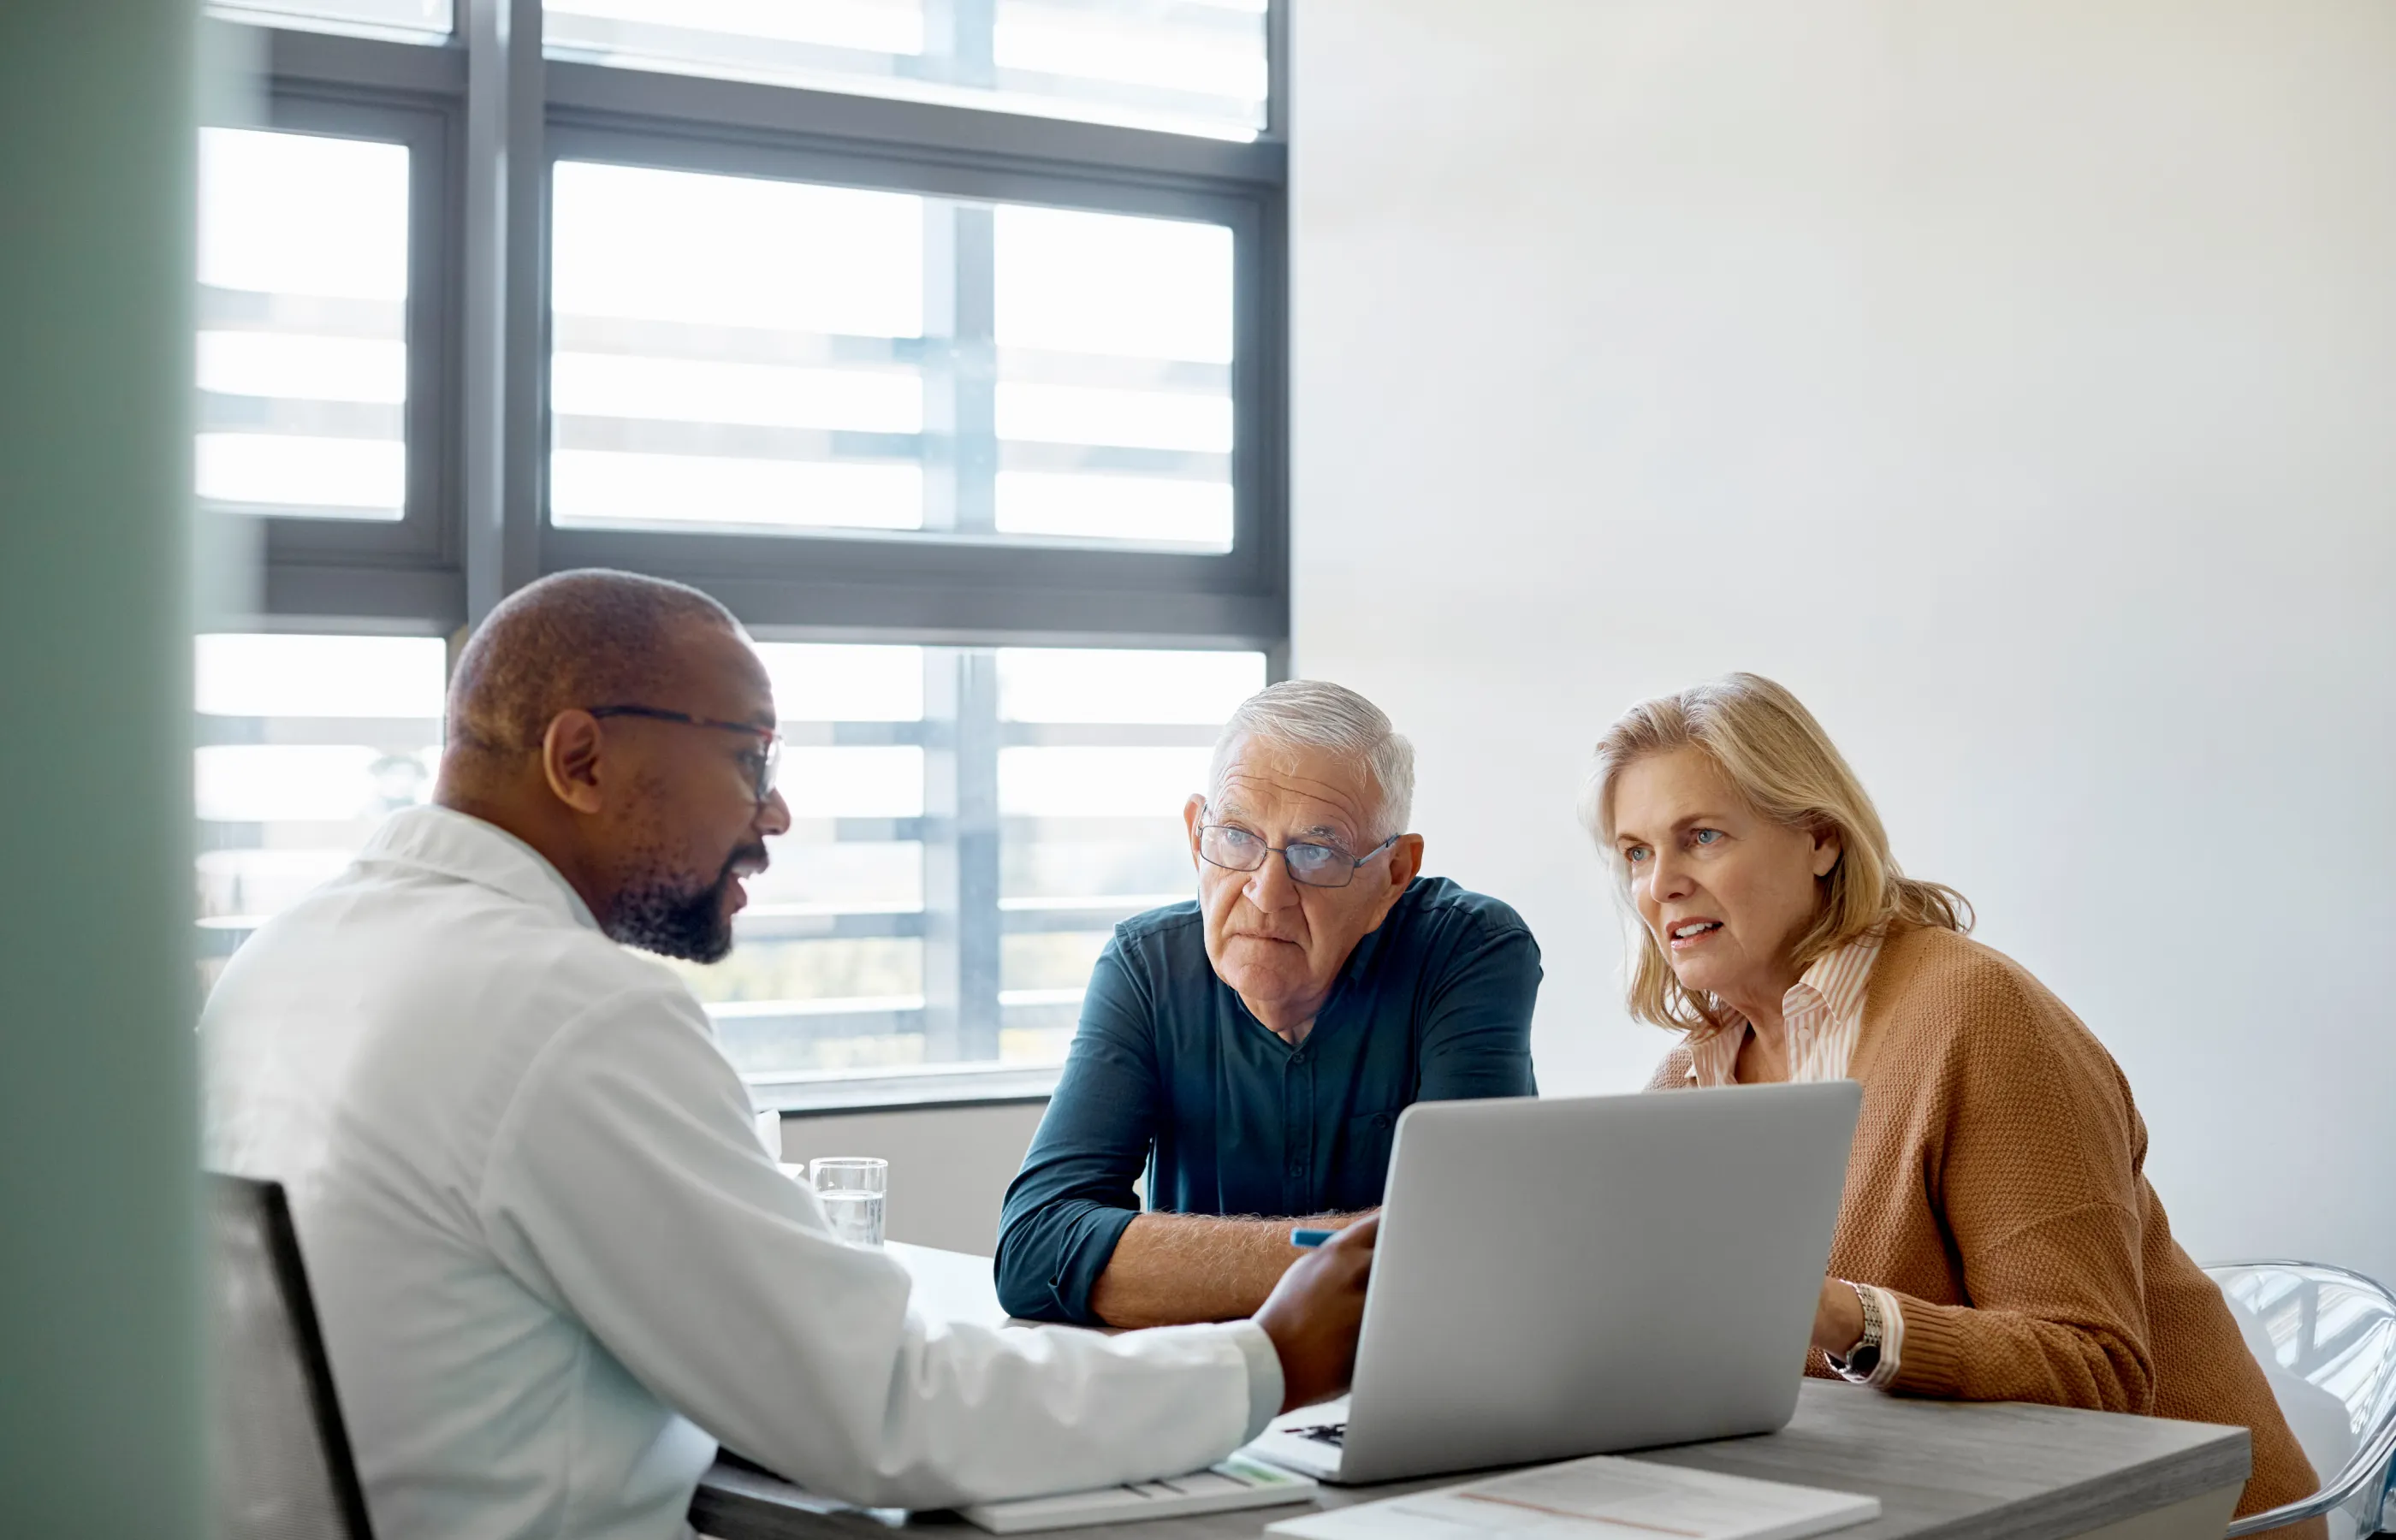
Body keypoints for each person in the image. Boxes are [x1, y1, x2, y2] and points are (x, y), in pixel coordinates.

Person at [199, 571, 1379, 1540]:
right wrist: (1263, 1359)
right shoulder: (563, 1011)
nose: (775, 815)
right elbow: (881, 1410)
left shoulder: (284, 961)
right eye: (749, 759)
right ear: (582, 759)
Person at [1584, 672, 2319, 1536]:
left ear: (1819, 837)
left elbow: (2097, 1371)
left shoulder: (1973, 1013)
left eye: (1700, 837)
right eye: (1635, 852)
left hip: (2168, 1519)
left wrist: (1832, 1313)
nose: (1660, 884)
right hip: (1912, 1510)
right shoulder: (1688, 1081)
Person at [997, 681, 1539, 1328]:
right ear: (1195, 833)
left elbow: (1471, 1247)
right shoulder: (1147, 967)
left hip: (1406, 1391)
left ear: (1395, 874)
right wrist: (1374, 1249)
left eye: (1317, 851)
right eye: (1235, 836)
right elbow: (1035, 1253)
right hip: (1204, 1392)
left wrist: (1165, 1263)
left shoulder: (1467, 951)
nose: (1266, 892)